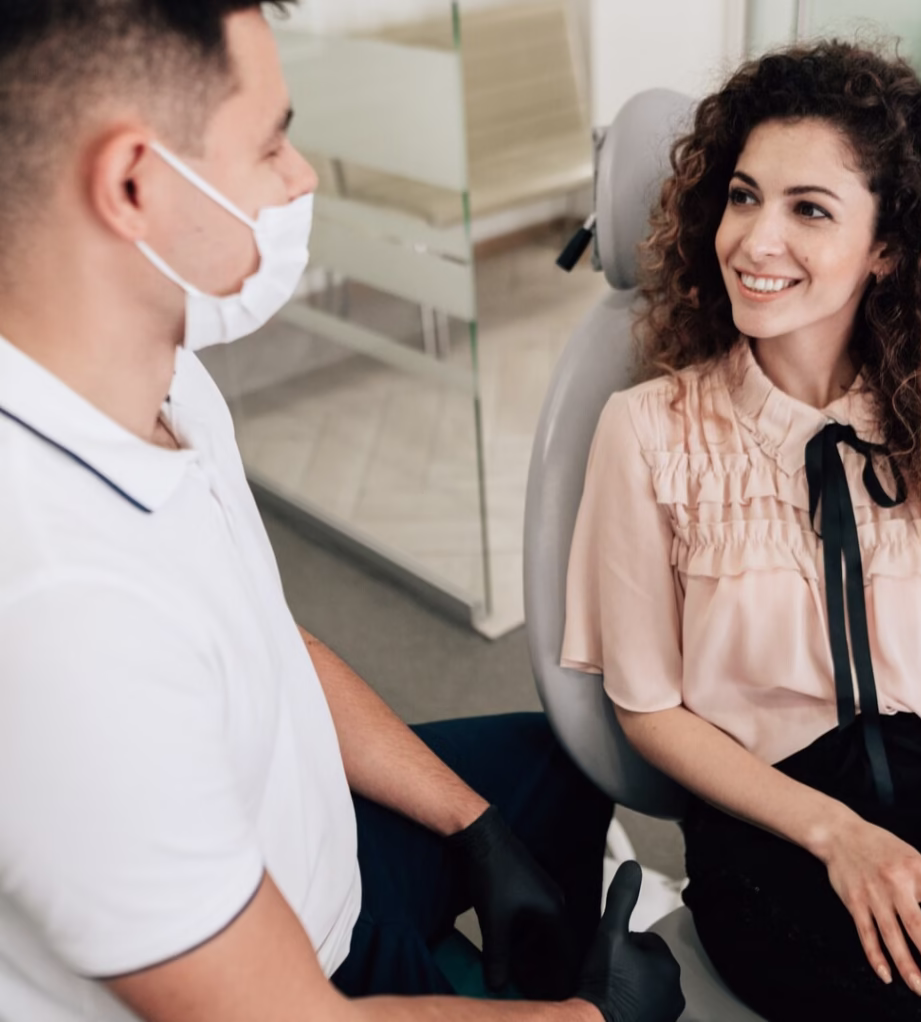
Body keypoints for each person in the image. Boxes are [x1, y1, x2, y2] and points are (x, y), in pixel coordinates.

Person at [0, 3, 688, 1022]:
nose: (301, 176)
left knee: (553, 764)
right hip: (290, 979)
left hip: (324, 868)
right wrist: (589, 1017)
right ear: (135, 184)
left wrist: (473, 825)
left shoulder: (160, 375)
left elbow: (270, 643)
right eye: (271, 141)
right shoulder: (59, 617)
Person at [562, 39, 921, 1022]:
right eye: (741, 195)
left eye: (808, 208)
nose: (752, 239)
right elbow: (648, 709)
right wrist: (837, 834)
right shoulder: (647, 433)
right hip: (769, 831)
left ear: (887, 245)